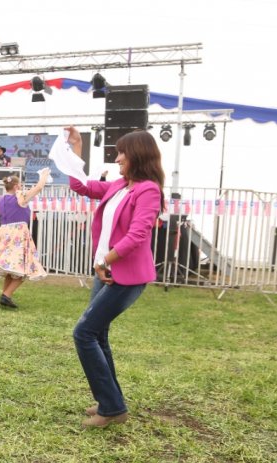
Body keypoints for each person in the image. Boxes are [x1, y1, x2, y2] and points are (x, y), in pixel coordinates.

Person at [64, 127, 164, 428]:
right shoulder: (119, 185)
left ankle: (112, 408)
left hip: (126, 275)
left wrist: (104, 260)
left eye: (122, 152)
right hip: (107, 270)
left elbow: (137, 235)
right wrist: (76, 148)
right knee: (97, 334)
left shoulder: (148, 190)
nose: (118, 157)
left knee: (84, 333)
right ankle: (111, 402)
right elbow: (80, 186)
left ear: (137, 155)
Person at [0, 170, 50, 308]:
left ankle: (5, 296)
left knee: (11, 269)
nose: (20, 187)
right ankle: (6, 296)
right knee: (22, 269)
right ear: (15, 187)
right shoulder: (20, 197)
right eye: (19, 185)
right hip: (18, 234)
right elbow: (38, 188)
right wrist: (43, 176)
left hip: (4, 233)